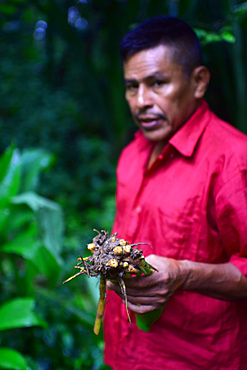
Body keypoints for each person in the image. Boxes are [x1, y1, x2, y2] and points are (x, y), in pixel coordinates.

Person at [103, 16, 247, 370]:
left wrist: (183, 273)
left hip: (195, 357)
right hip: (128, 351)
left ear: (198, 82)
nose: (141, 101)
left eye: (157, 83)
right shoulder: (131, 155)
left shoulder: (234, 161)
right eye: (131, 86)